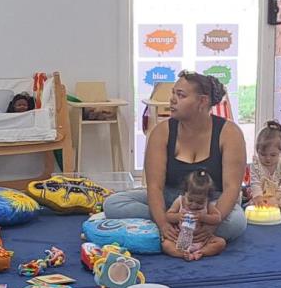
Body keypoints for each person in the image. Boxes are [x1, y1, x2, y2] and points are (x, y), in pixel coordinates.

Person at [103, 70, 248, 245]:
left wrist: (210, 225)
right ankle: (179, 228)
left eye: (180, 95)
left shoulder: (230, 133)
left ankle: (185, 230)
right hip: (172, 200)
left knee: (236, 222)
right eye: (173, 93)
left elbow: (232, 188)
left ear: (202, 101)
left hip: (211, 204)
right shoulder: (161, 131)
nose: (172, 99)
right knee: (113, 204)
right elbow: (154, 187)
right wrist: (163, 223)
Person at [165, 168, 222, 260]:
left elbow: (217, 218)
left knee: (220, 243)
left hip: (201, 240)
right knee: (166, 244)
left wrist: (204, 217)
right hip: (181, 238)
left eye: (200, 202)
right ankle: (183, 254)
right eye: (190, 200)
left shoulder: (208, 205)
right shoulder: (180, 201)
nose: (194, 205)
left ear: (207, 198)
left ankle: (200, 252)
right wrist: (178, 216)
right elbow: (168, 215)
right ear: (185, 193)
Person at [246, 120, 281, 215]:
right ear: (257, 150)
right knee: (253, 210)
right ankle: (272, 207)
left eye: (273, 155)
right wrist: (259, 198)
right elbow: (255, 183)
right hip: (262, 194)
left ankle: (277, 206)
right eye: (263, 154)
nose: (268, 158)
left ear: (280, 151)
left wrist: (276, 198)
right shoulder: (256, 164)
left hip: (280, 194)